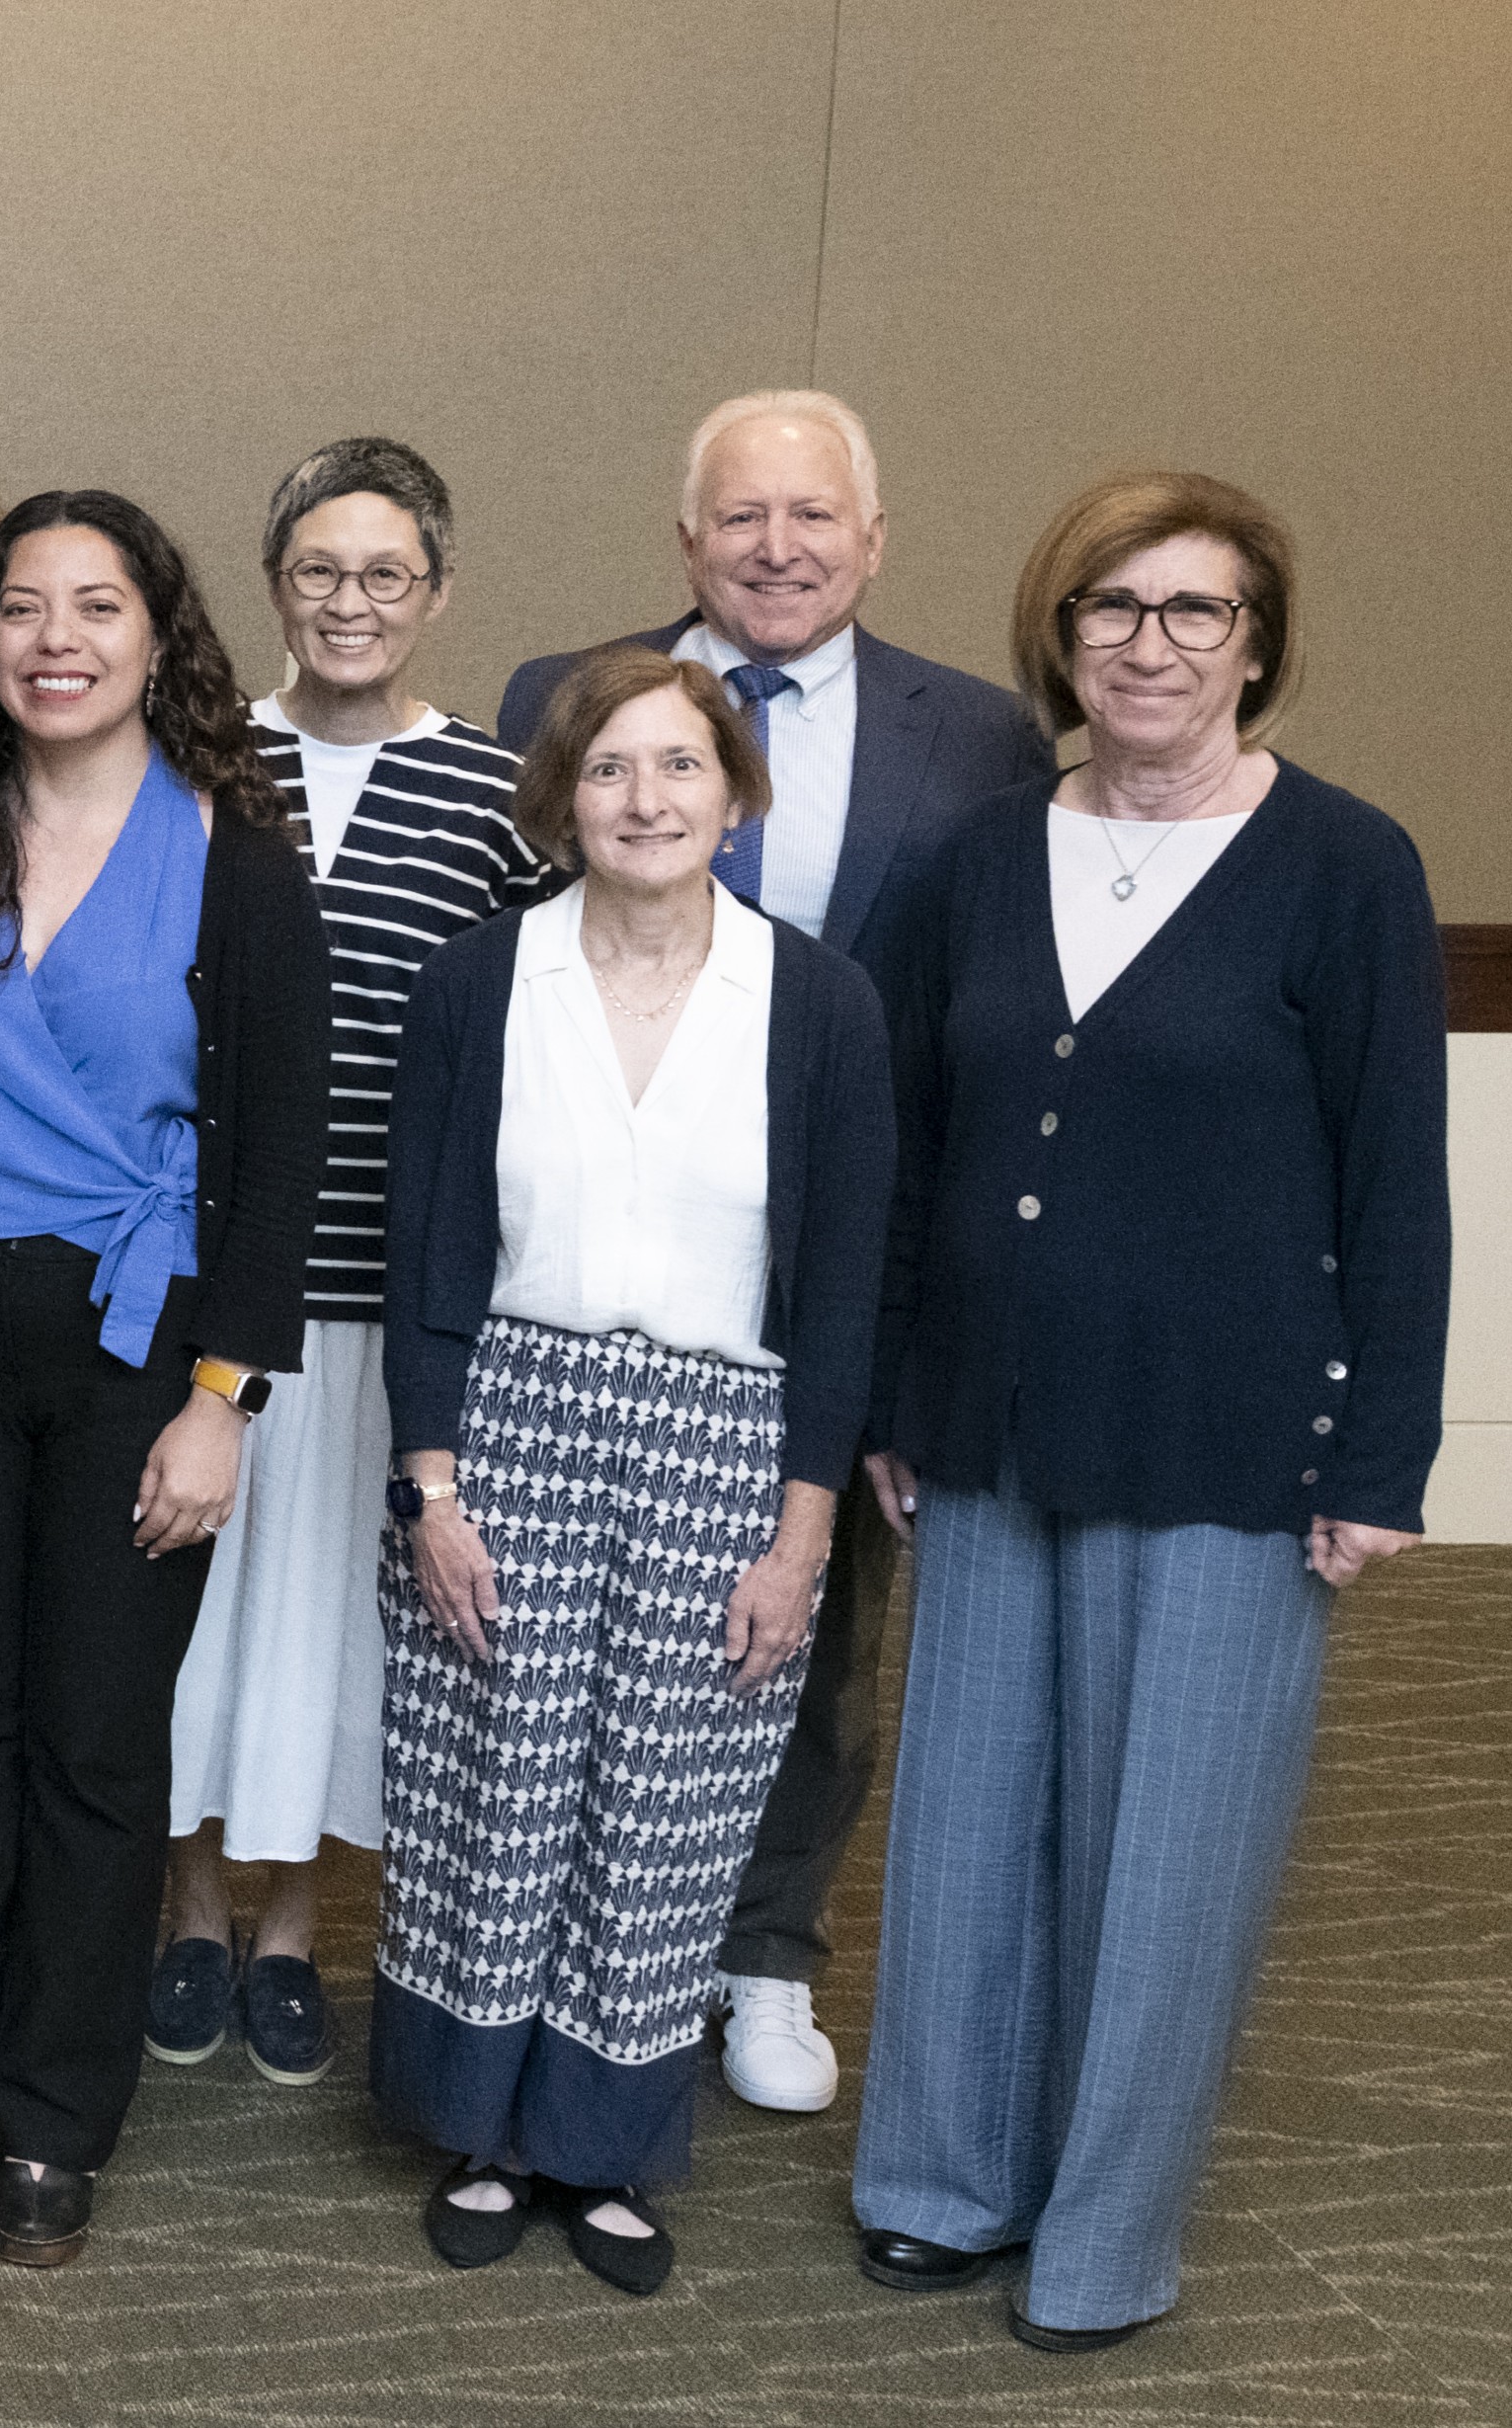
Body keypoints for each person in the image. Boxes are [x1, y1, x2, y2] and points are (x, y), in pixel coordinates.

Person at [850, 473, 1442, 2353]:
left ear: (1256, 645)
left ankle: (1099, 2238)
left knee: (1162, 1851)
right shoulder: (972, 858)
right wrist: (885, 1391)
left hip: (1227, 1441)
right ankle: (940, 2184)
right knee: (962, 1827)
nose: (1149, 645)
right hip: (988, 1421)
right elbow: (904, 1148)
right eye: (1111, 608)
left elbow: (1396, 1185)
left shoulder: (1345, 866)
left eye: (1194, 612)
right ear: (1059, 635)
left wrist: (1379, 1455)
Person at [495, 391, 1057, 2115]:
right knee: (565, 1612)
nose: (777, 547)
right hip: (597, 1228)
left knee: (812, 1614)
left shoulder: (975, 739)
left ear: (873, 543)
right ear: (684, 540)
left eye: (814, 518)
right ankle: (557, 1938)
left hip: (840, 1241)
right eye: (740, 517)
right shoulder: (560, 696)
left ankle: (764, 1951)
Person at [0, 490, 326, 2268]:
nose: (55, 640)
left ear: (158, 638)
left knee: (94, 1745)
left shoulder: (238, 853)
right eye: (22, 608)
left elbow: (275, 1155)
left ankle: (52, 2112)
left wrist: (221, 1399)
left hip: (140, 1344)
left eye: (95, 608)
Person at [375, 648, 890, 2297]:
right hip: (509, 1421)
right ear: (560, 799)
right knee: (495, 1782)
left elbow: (845, 1288)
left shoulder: (814, 999)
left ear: (733, 796)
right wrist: (427, 1490)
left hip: (723, 1442)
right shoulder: (480, 981)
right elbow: (427, 1252)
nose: (644, 800)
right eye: (607, 770)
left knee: (663, 1809)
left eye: (678, 767)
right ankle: (480, 2127)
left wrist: (802, 1533)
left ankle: (600, 2147)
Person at [146, 440, 543, 2089]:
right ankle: (177, 1908)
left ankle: (295, 1922)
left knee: (332, 1629)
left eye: (385, 574)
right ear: (273, 584)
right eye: (319, 571)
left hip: (386, 1292)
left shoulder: (498, 792)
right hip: (195, 1274)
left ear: (436, 592)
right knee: (184, 1616)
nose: (350, 603)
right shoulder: (195, 760)